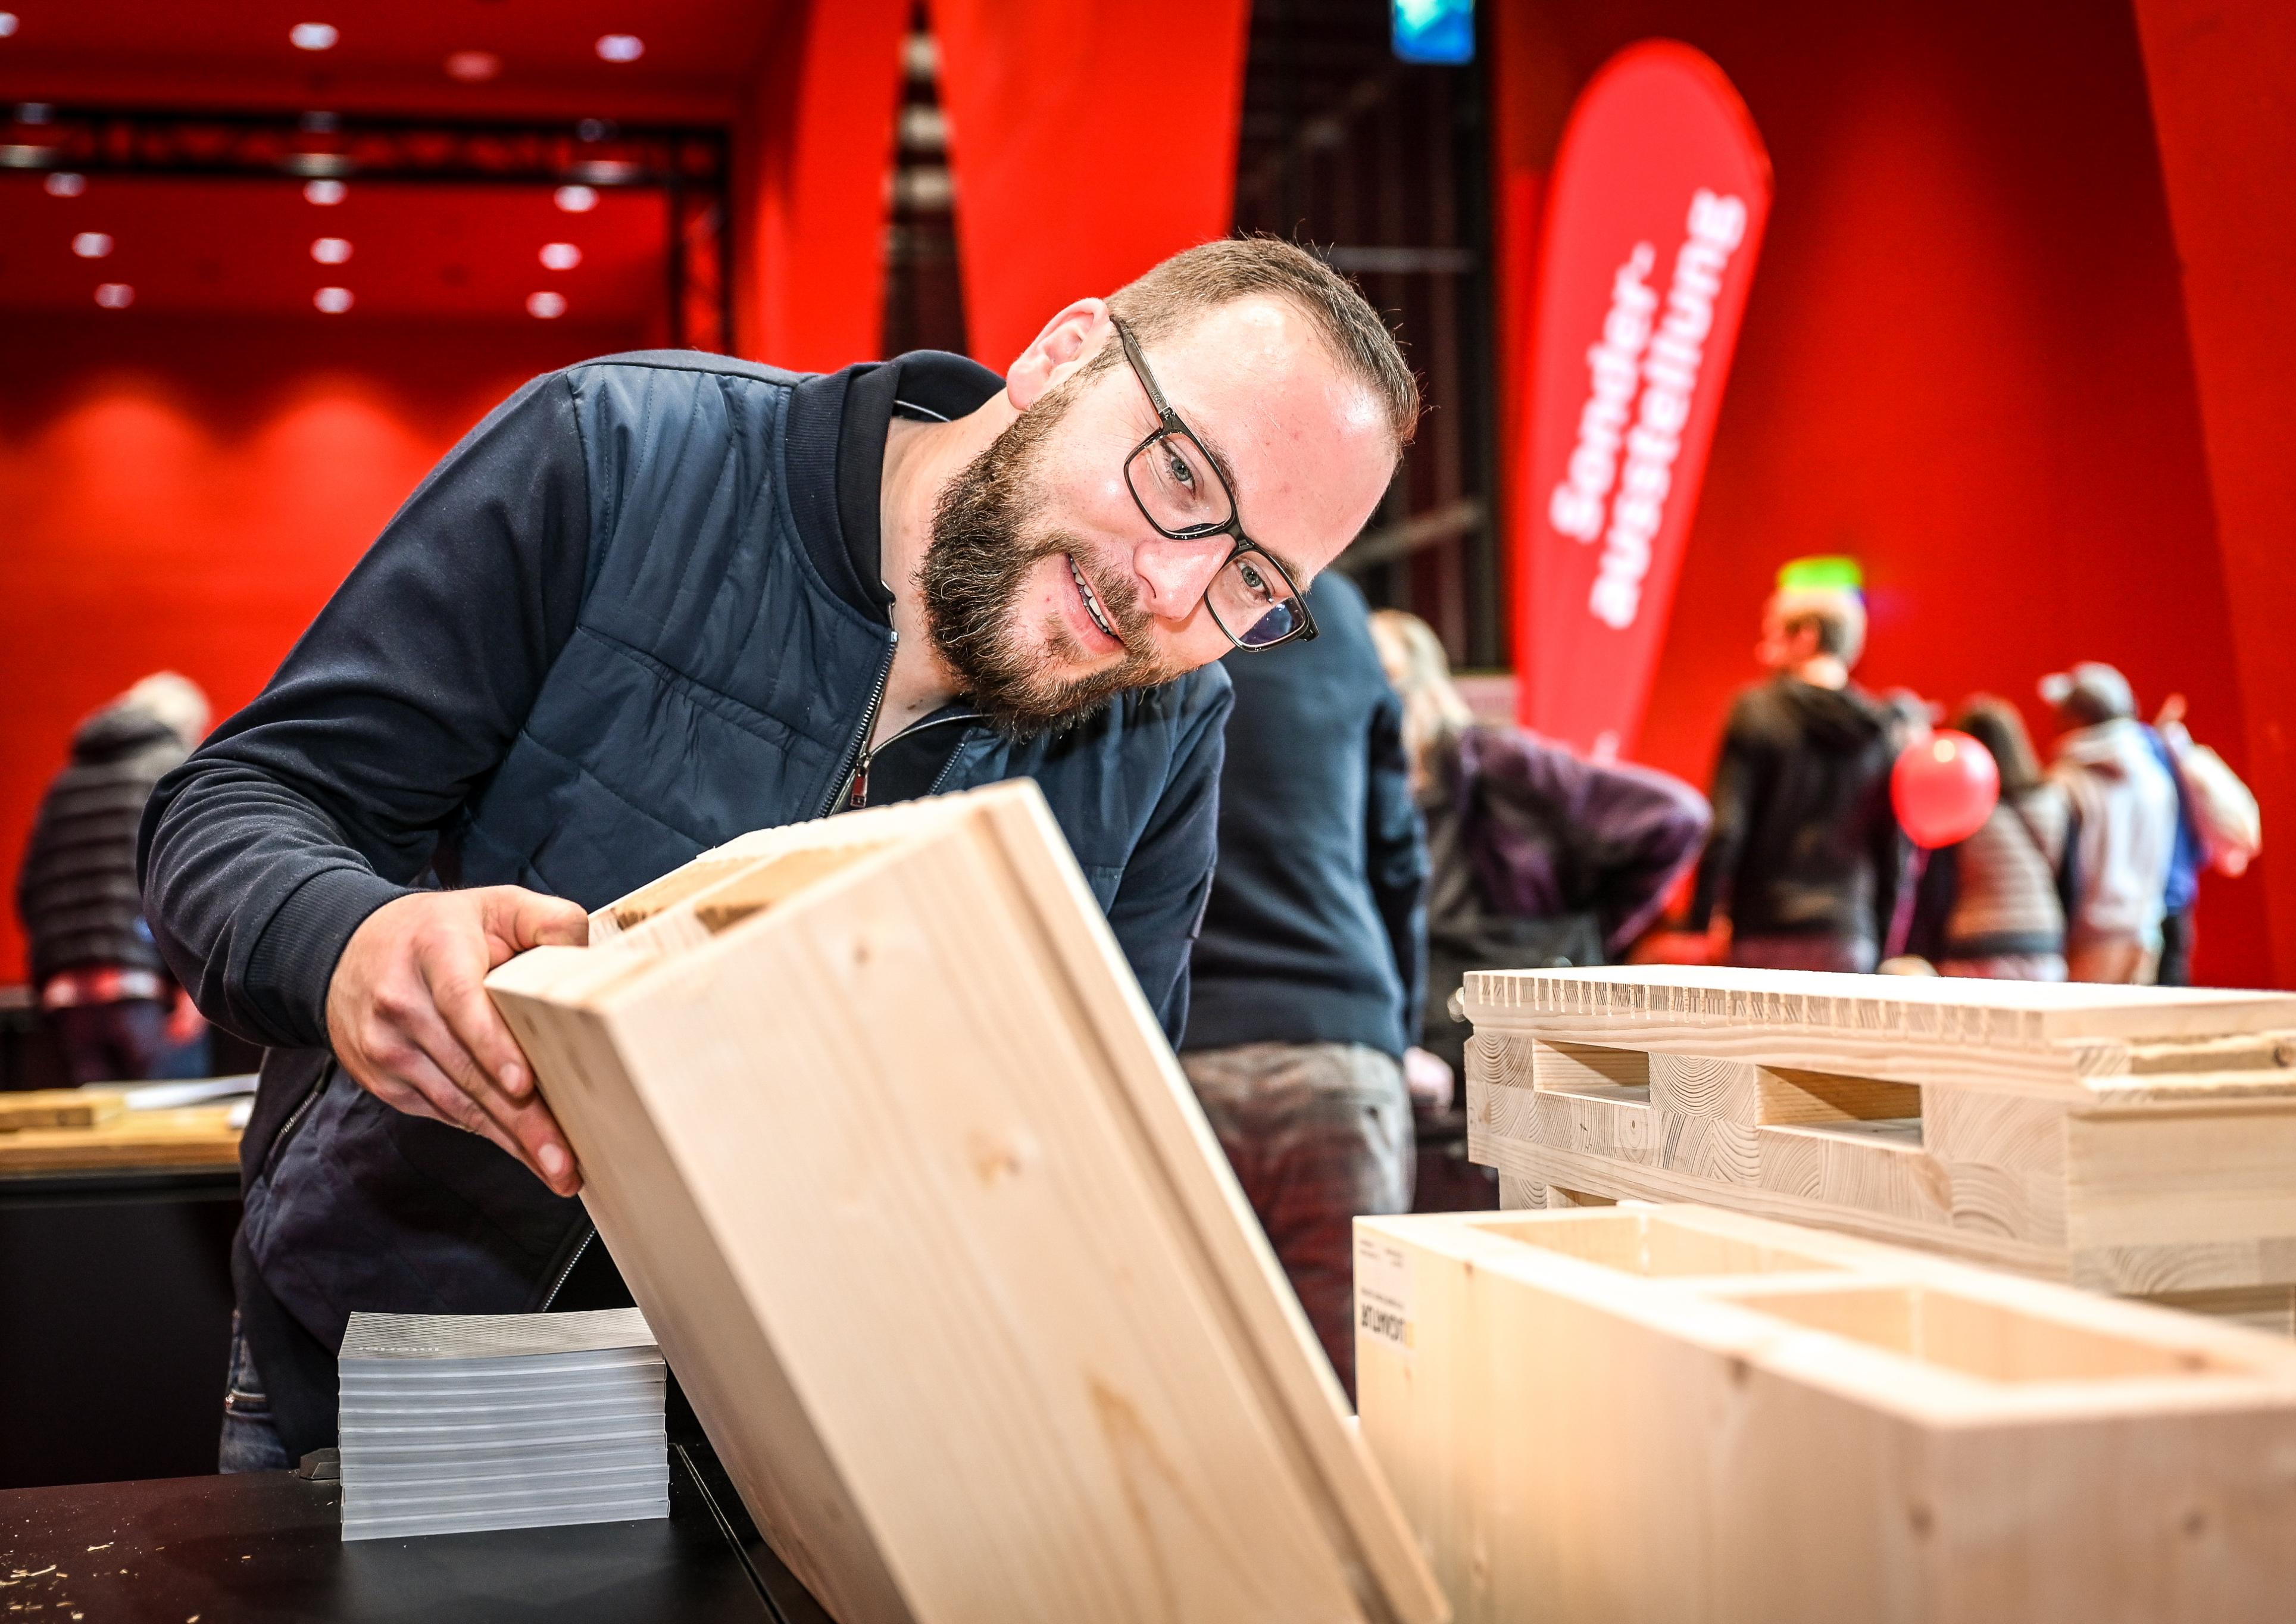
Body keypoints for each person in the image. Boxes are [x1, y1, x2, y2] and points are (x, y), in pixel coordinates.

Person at [139, 236, 1420, 1470]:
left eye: (1255, 580)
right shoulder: (622, 453)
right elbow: (238, 803)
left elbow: (1082, 1139)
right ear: (1062, 353)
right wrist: (350, 941)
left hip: (796, 1459)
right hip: (394, 1377)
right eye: (1182, 477)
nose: (1171, 589)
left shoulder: (1169, 721)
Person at [1180, 570, 1425, 1398]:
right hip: (1339, 1048)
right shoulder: (1339, 613)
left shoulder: (1152, 595)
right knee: (1362, 1393)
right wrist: (1399, 1034)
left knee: (1195, 1392)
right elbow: (1397, 851)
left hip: (1179, 1055)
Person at [1369, 610, 1707, 1208]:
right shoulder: (1374, 782)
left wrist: (1593, 925)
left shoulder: (1499, 762)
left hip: (1510, 1017)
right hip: (1431, 1037)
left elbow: (1674, 816)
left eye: (1385, 677)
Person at [1684, 586, 1907, 973]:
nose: (1764, 651)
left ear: (1807, 635)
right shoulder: (1881, 732)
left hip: (1763, 930)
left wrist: (1700, 921)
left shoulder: (1757, 711)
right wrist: (1880, 941)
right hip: (1848, 936)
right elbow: (1893, 852)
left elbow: (1727, 828)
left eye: (1774, 635)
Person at [18, 672, 214, 1085]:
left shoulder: (66, 780)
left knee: (99, 1122)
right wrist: (194, 986)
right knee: (171, 1115)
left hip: (67, 994)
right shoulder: (173, 769)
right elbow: (191, 883)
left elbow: (30, 889)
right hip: (146, 990)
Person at [1904, 695, 2069, 980]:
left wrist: (1926, 949)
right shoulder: (2053, 800)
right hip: (2044, 943)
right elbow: (2069, 880)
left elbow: (1940, 886)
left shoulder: (1959, 804)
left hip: (1975, 945)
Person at [2038, 661, 2181, 983]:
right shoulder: (2155, 776)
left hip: (2087, 942)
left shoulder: (2066, 783)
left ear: (2078, 717)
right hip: (2145, 934)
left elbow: (2059, 867)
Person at [2145, 692, 2262, 986]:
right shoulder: (2179, 765)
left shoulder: (2145, 765)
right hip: (2181, 896)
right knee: (2174, 992)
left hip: (2153, 902)